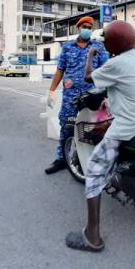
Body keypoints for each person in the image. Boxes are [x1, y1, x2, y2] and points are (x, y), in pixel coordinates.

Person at [65, 21, 135, 252]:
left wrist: (91, 55)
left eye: (106, 38)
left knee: (94, 171)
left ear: (114, 42)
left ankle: (92, 236)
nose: (103, 41)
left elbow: (89, 77)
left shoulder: (115, 63)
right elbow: (124, 83)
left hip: (129, 126)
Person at [45, 17, 108, 175]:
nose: (87, 29)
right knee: (67, 126)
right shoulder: (67, 48)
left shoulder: (98, 46)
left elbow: (106, 69)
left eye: (90, 27)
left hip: (92, 96)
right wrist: (51, 91)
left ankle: (84, 159)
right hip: (71, 96)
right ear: (78, 28)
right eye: (84, 26)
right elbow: (60, 70)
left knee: (91, 128)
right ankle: (61, 158)